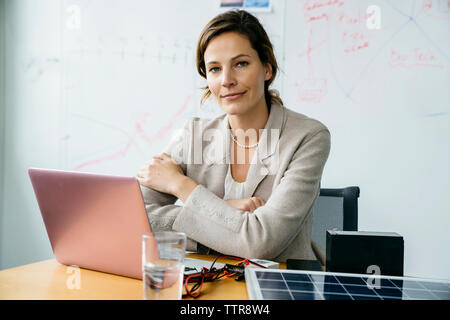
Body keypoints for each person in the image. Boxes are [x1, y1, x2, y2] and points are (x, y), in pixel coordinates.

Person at [136, 10, 330, 261]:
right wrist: (226, 214)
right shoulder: (194, 135)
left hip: (283, 284)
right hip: (208, 280)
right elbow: (135, 217)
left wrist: (182, 186)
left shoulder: (307, 137)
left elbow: (261, 243)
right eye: (215, 69)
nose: (226, 80)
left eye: (241, 64)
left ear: (267, 69)